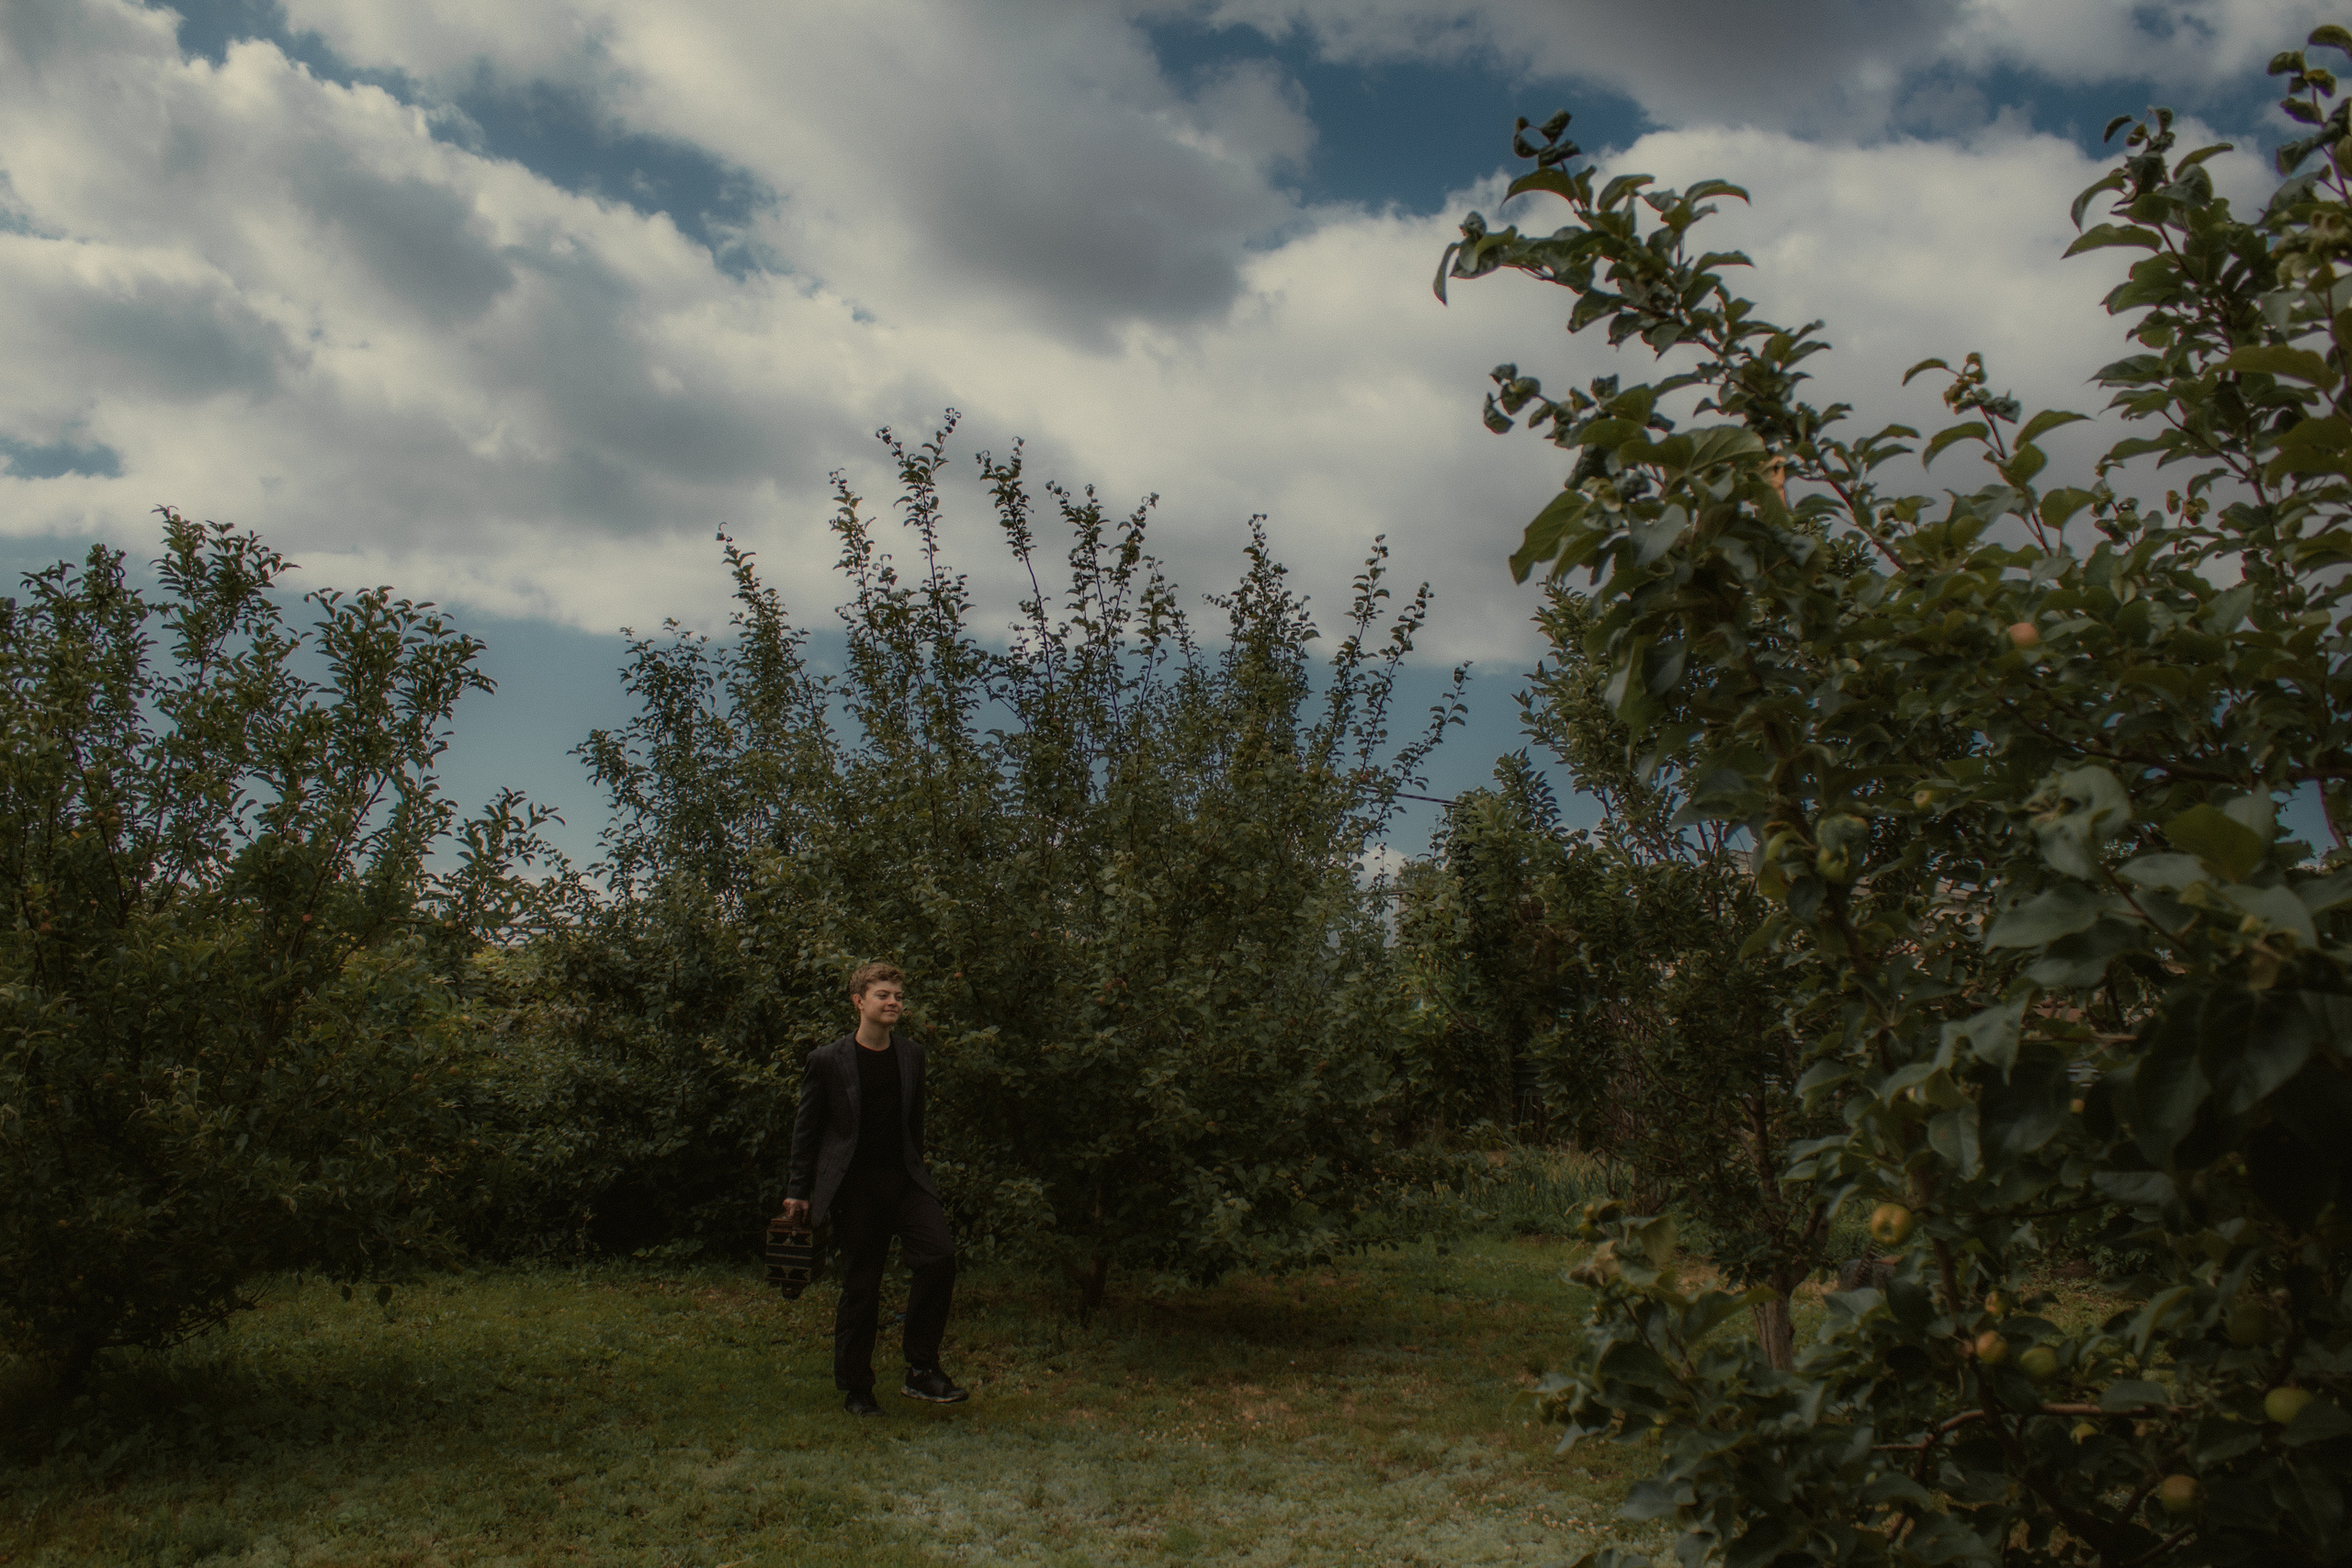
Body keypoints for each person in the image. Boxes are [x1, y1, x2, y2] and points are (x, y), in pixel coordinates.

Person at [780, 962, 967, 1416]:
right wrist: (798, 1191)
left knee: (939, 1257)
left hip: (904, 1181)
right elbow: (807, 1131)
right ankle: (857, 1389)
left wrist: (916, 1171)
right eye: (883, 994)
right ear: (858, 1001)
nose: (893, 1002)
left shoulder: (912, 1055)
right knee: (862, 1286)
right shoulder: (827, 1061)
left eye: (898, 996)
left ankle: (921, 1371)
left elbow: (914, 1125)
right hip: (854, 1189)